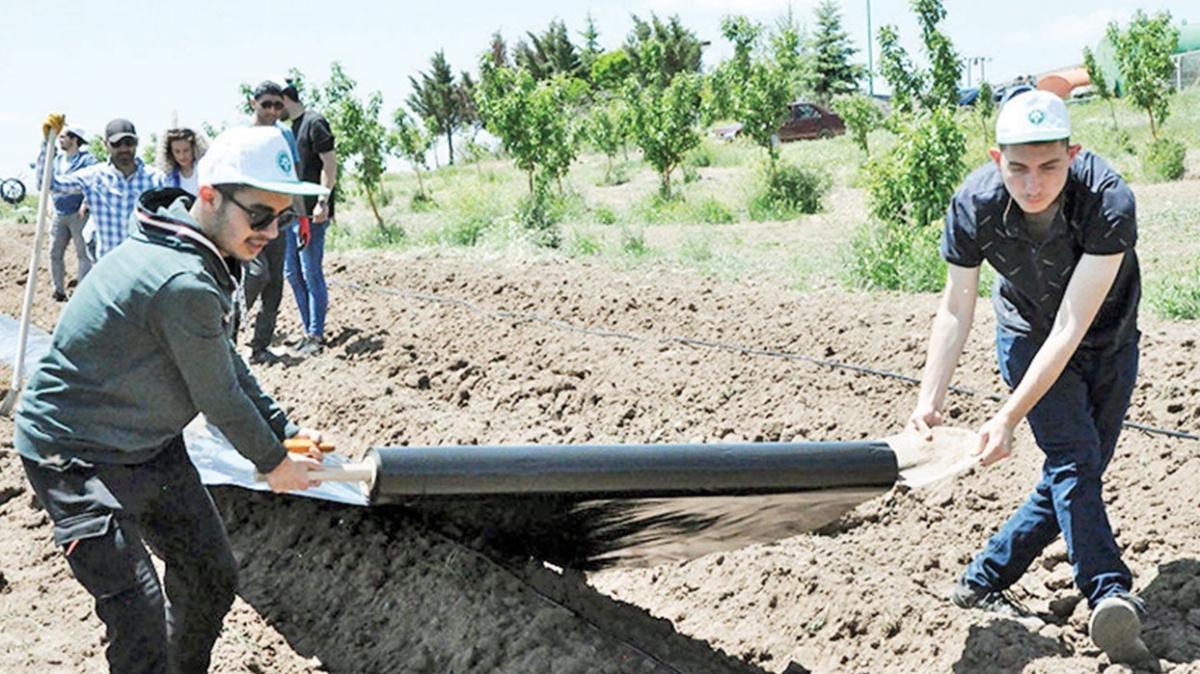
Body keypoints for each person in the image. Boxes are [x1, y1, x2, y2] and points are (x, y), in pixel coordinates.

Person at [16, 123, 331, 674]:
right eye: (259, 215)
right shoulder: (180, 279)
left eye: (282, 218)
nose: (270, 232)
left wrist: (283, 431)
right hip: (74, 454)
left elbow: (224, 363)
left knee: (211, 574)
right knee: (137, 612)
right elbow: (218, 396)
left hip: (146, 443)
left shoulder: (198, 253)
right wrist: (274, 462)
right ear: (208, 196)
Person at [908, 91, 1149, 663]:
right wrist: (929, 400)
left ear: (1074, 154)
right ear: (997, 159)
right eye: (1017, 168)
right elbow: (956, 307)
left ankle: (983, 579)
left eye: (1049, 166)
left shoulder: (1107, 201)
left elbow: (1072, 324)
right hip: (1025, 334)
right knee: (1074, 461)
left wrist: (1008, 416)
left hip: (1105, 337)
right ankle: (1108, 592)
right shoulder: (975, 205)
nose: (1033, 184)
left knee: (1076, 470)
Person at [242, 80, 306, 364]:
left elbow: (294, 178)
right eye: (266, 104)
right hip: (247, 219)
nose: (271, 110)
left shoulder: (284, 137)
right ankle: (229, 334)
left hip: (279, 219)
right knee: (257, 274)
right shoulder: (240, 137)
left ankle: (260, 347)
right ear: (253, 103)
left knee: (275, 285)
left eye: (277, 105)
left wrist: (301, 217)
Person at [44, 117, 165, 259]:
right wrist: (48, 143)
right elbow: (50, 184)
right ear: (105, 144)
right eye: (117, 144)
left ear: (136, 143)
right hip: (108, 268)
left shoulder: (156, 179)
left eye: (129, 143)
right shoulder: (94, 177)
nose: (124, 148)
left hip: (144, 266)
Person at [281, 79, 336, 356]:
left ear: (284, 99)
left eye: (273, 103)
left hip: (312, 212)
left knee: (311, 271)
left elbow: (330, 164)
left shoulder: (315, 123)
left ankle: (316, 334)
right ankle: (307, 331)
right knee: (292, 273)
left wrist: (322, 201)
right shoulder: (287, 130)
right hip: (290, 213)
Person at [41, 126, 97, 301]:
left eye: (64, 136)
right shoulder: (56, 160)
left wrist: (85, 203)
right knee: (54, 252)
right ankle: (58, 291)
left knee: (83, 254)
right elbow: (49, 183)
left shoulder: (87, 160)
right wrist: (50, 203)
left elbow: (93, 182)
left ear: (75, 140)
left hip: (79, 214)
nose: (60, 139)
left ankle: (81, 291)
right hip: (59, 213)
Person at [156, 127, 208, 196]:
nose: (182, 156)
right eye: (177, 151)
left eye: (186, 150)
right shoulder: (166, 179)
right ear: (170, 152)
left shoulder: (206, 171)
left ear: (194, 148)